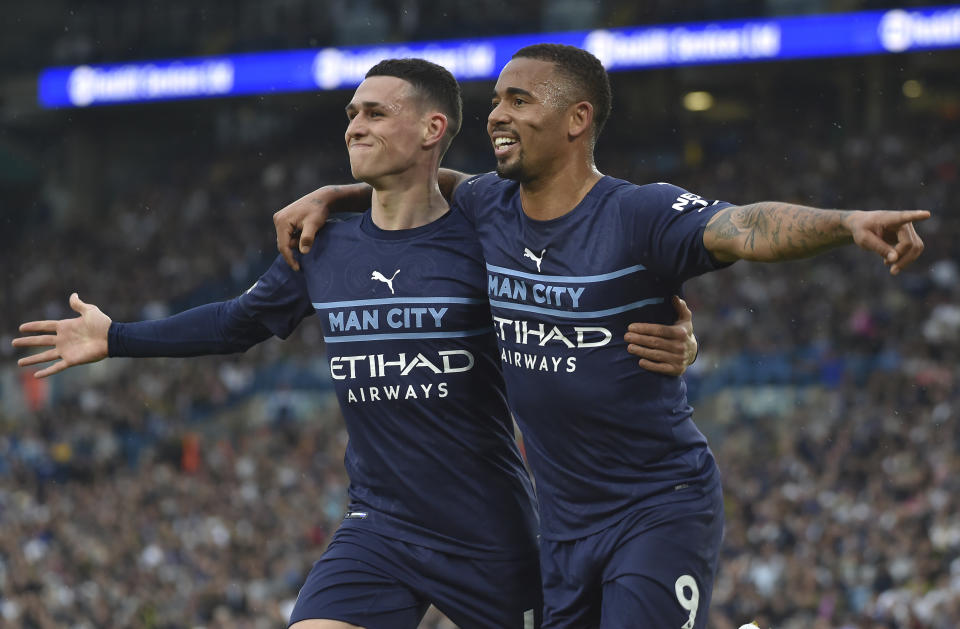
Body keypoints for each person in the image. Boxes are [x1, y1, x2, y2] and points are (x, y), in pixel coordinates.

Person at [13, 58, 698, 629]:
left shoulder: (487, 236)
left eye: (373, 112)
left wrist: (679, 333)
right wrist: (117, 335)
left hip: (489, 532)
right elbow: (235, 323)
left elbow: (580, 297)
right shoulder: (321, 246)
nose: (355, 125)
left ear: (433, 129)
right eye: (350, 114)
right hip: (379, 525)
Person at [271, 44, 929, 629]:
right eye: (496, 99)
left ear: (577, 119)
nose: (496, 114)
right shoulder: (487, 206)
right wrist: (334, 194)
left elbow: (743, 226)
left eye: (518, 100)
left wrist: (846, 222)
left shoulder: (636, 214)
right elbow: (424, 184)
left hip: (656, 507)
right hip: (562, 527)